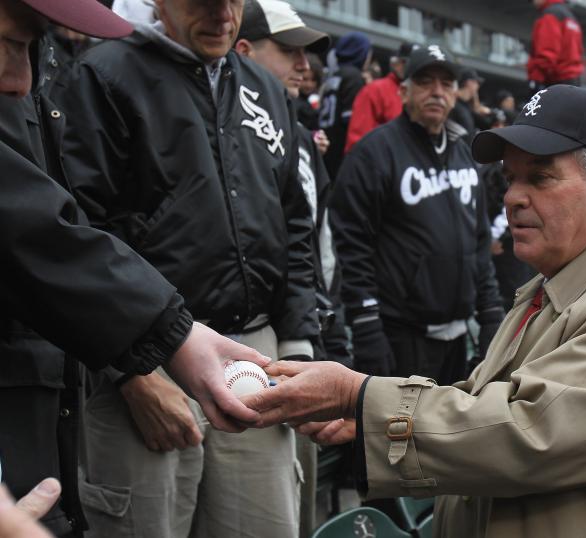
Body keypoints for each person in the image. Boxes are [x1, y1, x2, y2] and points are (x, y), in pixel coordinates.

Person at [245, 85, 586, 538]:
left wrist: (361, 397)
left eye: (540, 177)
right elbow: (485, 406)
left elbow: (529, 432)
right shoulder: (553, 285)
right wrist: (368, 423)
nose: (513, 196)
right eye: (511, 178)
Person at [51, 0, 318, 536]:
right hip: (147, 355)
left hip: (255, 354)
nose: (222, 16)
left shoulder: (263, 89)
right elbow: (83, 231)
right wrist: (130, 372)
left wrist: (298, 350)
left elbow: (294, 226)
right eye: (203, 2)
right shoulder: (104, 74)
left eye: (232, 2)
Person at [0, 0, 266, 536]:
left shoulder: (257, 88)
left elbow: (43, 225)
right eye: (8, 43)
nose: (22, 79)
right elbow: (37, 226)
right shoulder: (108, 74)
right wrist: (149, 355)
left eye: (34, 46)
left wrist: (175, 336)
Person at [232, 2, 349, 534]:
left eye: (309, 53)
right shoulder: (229, 134)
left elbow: (313, 249)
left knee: (297, 507)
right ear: (244, 50)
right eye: (290, 51)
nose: (306, 65)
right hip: (249, 345)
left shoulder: (299, 138)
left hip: (302, 338)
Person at [330, 45, 503, 386]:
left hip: (458, 337)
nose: (437, 92)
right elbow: (352, 248)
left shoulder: (464, 152)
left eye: (446, 83)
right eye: (425, 82)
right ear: (404, 91)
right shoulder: (373, 153)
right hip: (400, 336)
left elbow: (479, 241)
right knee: (395, 439)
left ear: (455, 94)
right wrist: (366, 327)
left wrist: (492, 318)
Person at [344, 42, 416, 153]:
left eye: (416, 65)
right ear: (396, 64)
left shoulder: (421, 95)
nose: (411, 69)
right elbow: (357, 141)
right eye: (405, 63)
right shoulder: (375, 90)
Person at [318, 31, 372, 178]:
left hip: (326, 142)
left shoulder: (333, 76)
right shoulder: (354, 77)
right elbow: (352, 120)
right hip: (340, 148)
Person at [527, 0, 584, 96]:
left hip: (554, 82)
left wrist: (536, 80)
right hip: (573, 81)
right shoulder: (571, 17)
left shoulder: (550, 15)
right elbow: (579, 51)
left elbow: (547, 53)